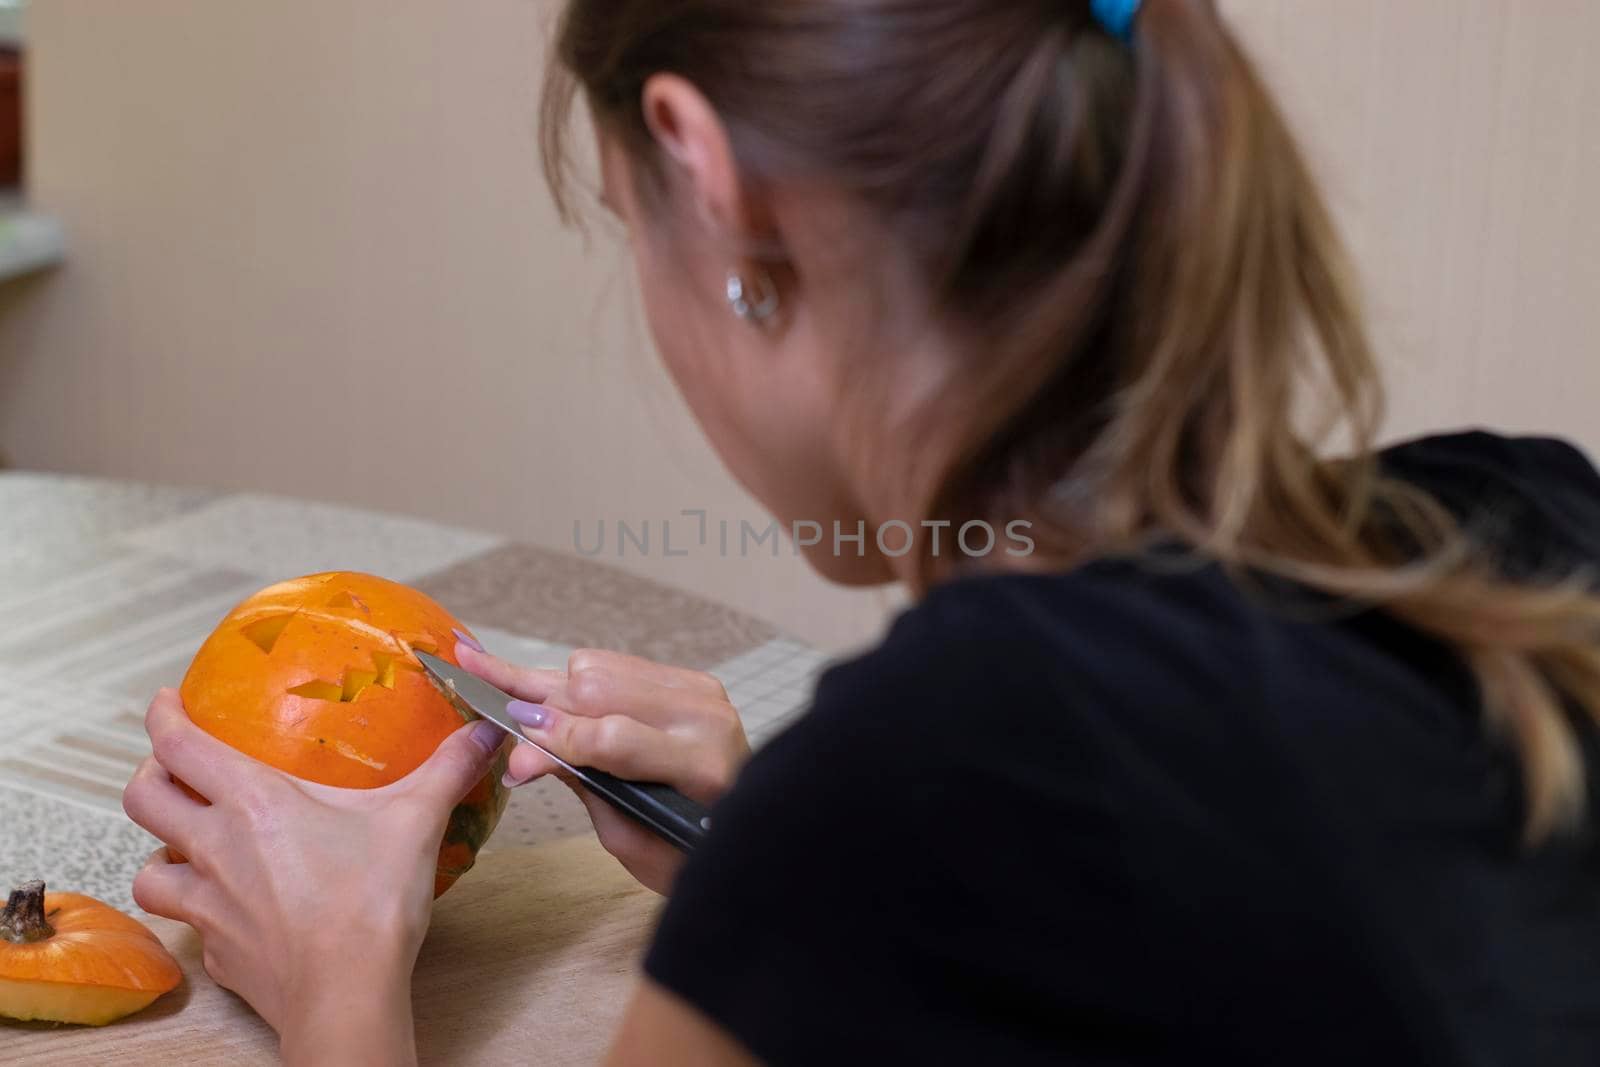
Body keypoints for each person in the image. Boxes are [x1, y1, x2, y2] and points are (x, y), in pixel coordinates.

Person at [121, 0, 1600, 1063]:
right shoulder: (1529, 515)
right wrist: (771, 883)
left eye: (633, 225)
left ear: (711, 181)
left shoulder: (932, 776)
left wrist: (335, 988)